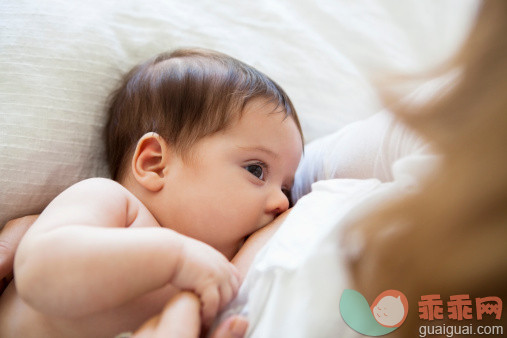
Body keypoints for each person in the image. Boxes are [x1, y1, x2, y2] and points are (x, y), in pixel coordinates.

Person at [0, 48, 303, 338]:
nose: (281, 202)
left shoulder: (207, 285)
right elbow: (39, 271)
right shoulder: (113, 204)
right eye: (256, 170)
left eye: (287, 189)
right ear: (154, 164)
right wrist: (175, 257)